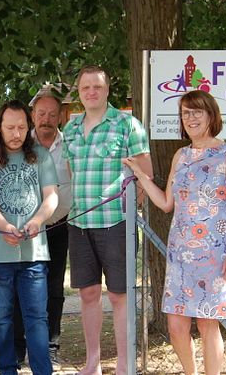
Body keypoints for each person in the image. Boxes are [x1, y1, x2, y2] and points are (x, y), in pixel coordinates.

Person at [123, 89, 226, 375]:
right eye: (185, 113)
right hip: (180, 254)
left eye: (196, 112)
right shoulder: (181, 155)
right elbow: (167, 203)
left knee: (207, 323)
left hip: (215, 254)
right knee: (176, 326)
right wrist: (140, 175)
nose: (190, 118)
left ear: (210, 115)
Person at [62, 65, 152, 375]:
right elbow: (73, 174)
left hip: (116, 223)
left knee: (119, 295)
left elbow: (145, 175)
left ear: (107, 90)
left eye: (97, 87)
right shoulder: (71, 129)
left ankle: (125, 365)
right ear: (79, 92)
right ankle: (93, 363)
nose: (91, 92)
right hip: (79, 224)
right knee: (88, 294)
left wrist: (129, 211)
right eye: (85, 87)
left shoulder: (127, 125)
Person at [0, 100, 58, 375]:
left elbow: (52, 196)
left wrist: (37, 221)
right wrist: (5, 226)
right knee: (2, 321)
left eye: (21, 127)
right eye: (10, 127)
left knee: (37, 320)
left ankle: (43, 371)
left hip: (34, 255)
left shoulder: (41, 156)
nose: (17, 133)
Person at [13, 86, 73, 369]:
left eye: (52, 114)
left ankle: (50, 346)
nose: (46, 119)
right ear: (32, 115)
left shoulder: (71, 144)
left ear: (60, 117)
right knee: (19, 286)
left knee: (53, 288)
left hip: (60, 227)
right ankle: (17, 349)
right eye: (41, 113)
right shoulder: (20, 144)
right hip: (24, 229)